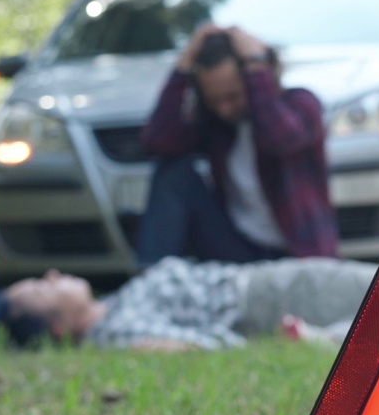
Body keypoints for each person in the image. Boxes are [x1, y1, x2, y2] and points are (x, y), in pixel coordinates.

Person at [0, 257, 379, 351]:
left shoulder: (117, 300)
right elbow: (195, 346)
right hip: (276, 294)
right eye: (40, 288)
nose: (50, 274)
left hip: (280, 279)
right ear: (59, 324)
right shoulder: (114, 331)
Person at [134, 24, 338, 267]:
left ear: (258, 77)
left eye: (233, 96)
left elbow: (278, 138)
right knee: (172, 172)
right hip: (238, 250)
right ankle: (152, 285)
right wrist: (182, 68)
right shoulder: (219, 126)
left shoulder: (303, 105)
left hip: (298, 255)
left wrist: (255, 65)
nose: (224, 109)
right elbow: (159, 142)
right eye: (214, 100)